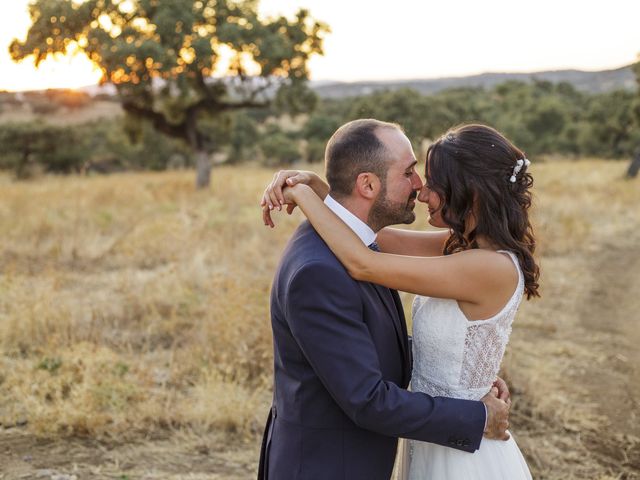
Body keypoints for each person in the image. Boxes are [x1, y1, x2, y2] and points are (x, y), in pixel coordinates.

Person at [257, 119, 513, 480]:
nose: (420, 186)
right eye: (409, 172)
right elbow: (369, 400)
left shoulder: (358, 244)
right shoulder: (321, 270)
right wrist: (478, 416)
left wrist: (468, 371)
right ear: (368, 184)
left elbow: (372, 340)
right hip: (324, 467)